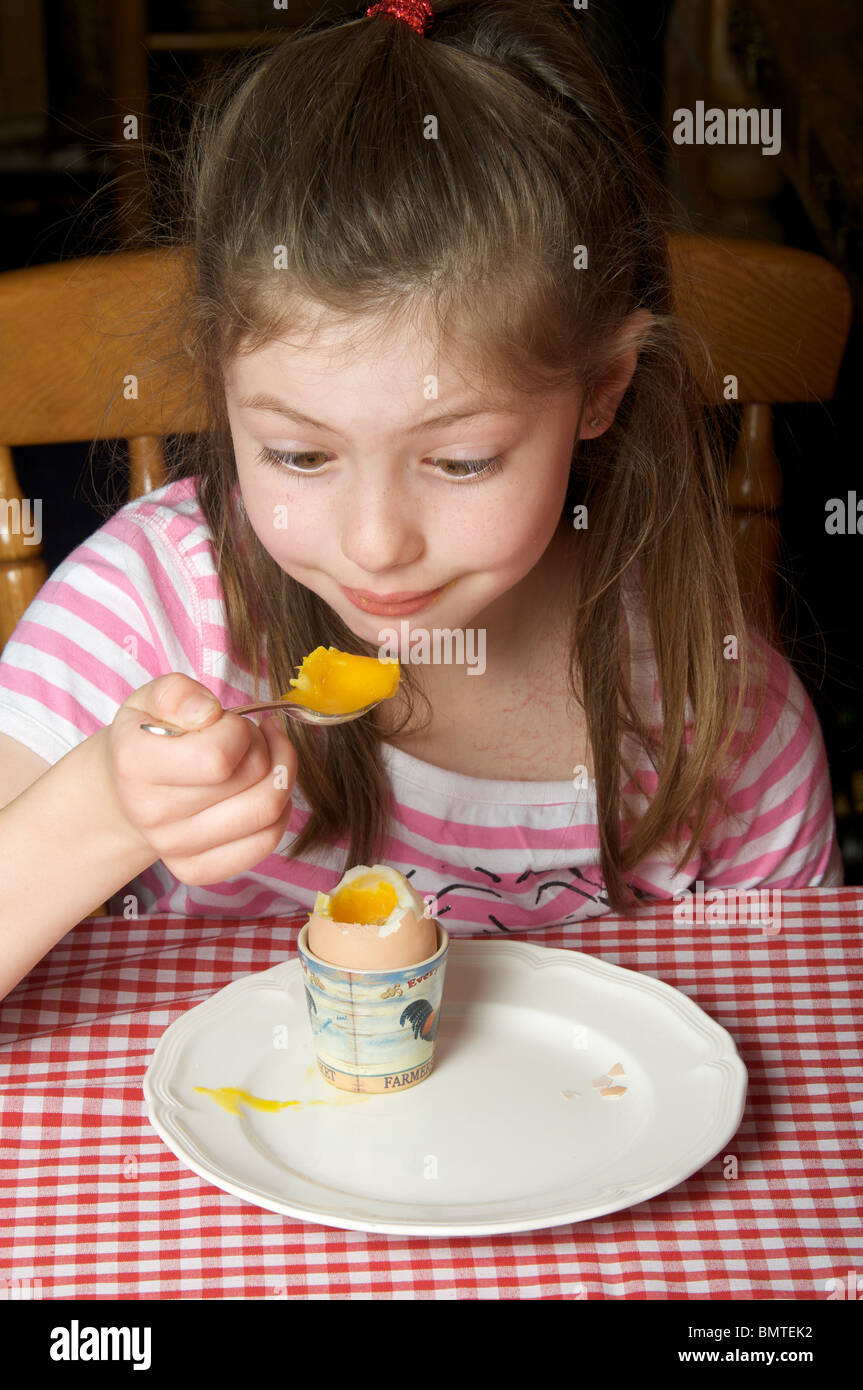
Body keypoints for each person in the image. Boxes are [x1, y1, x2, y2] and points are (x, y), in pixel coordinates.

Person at [0, 0, 842, 1001]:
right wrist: (105, 805)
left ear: (601, 389)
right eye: (299, 455)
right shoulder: (148, 612)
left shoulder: (716, 710)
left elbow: (802, 1024)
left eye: (460, 462)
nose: (374, 544)